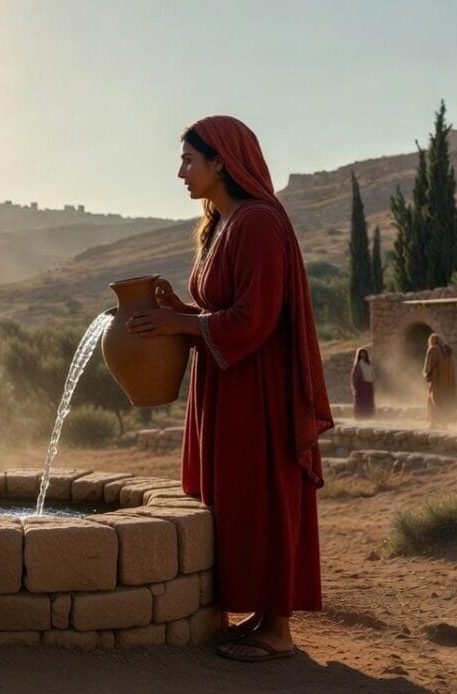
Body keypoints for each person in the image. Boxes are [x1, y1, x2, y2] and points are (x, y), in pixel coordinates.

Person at [125, 116, 333, 662]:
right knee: (234, 499)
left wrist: (182, 326)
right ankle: (260, 615)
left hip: (256, 392)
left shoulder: (260, 223)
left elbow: (254, 319)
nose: (180, 173)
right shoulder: (224, 223)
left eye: (189, 161)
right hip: (227, 384)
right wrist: (182, 313)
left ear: (221, 162)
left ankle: (278, 630)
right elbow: (224, 313)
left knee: (258, 495)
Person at [423, 333, 457, 428]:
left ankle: (434, 423)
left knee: (434, 400)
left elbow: (428, 365)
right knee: (445, 400)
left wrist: (426, 375)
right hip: (447, 382)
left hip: (436, 381)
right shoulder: (447, 351)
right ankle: (444, 422)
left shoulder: (433, 349)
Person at [350, 348, 376, 419]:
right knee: (361, 401)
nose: (362, 355)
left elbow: (372, 375)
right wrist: (354, 387)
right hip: (361, 385)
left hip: (369, 385)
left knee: (369, 401)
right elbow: (354, 377)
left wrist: (373, 383)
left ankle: (369, 415)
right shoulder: (358, 365)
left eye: (364, 353)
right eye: (361, 353)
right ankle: (360, 416)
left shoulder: (369, 364)